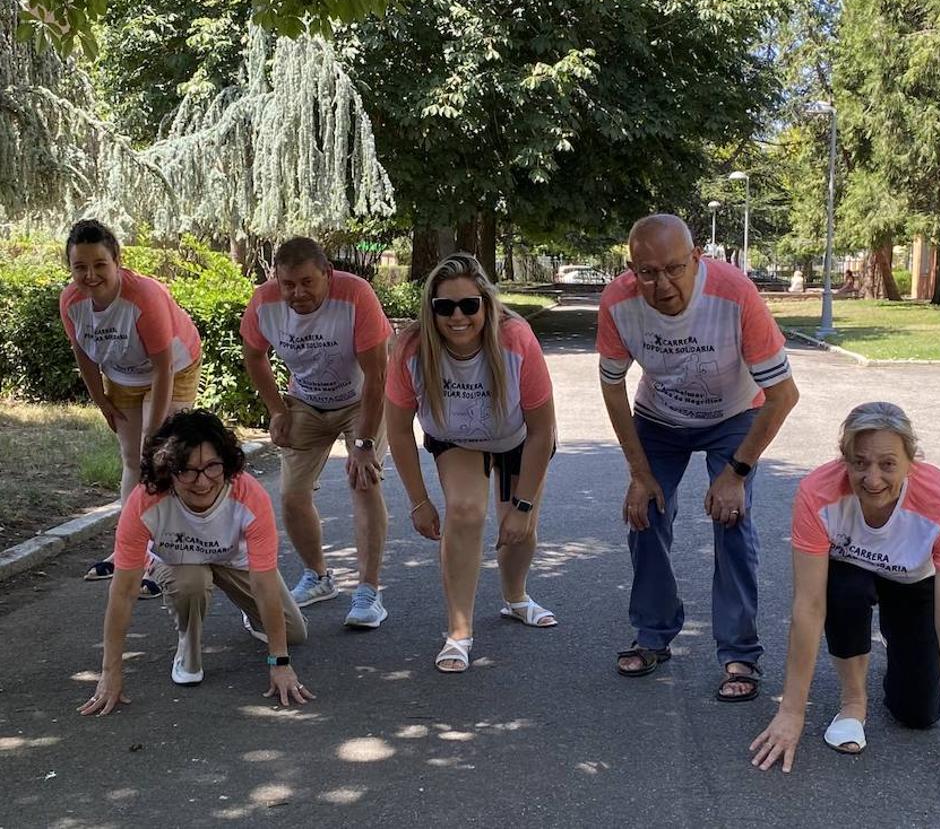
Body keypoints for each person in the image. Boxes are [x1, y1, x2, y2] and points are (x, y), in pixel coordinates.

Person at [750, 402, 940, 792]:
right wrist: (791, 712)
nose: (872, 479)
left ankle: (898, 644)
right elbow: (808, 607)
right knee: (842, 591)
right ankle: (854, 700)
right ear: (844, 460)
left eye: (888, 464)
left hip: (914, 581)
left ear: (910, 461)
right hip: (850, 574)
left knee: (919, 714)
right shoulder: (818, 492)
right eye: (860, 463)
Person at [597, 214, 798, 700]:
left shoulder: (734, 294)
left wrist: (737, 472)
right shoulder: (618, 302)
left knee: (732, 520)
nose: (662, 284)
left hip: (734, 414)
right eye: (647, 272)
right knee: (644, 514)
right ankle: (653, 634)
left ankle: (739, 653)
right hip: (659, 416)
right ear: (631, 269)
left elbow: (783, 395)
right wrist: (638, 474)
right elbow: (612, 385)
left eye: (674, 268)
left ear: (696, 258)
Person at [386, 254, 557, 673]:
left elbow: (542, 431)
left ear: (486, 303)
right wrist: (418, 501)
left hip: (519, 437)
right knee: (464, 511)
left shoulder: (515, 338)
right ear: (431, 310)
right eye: (444, 307)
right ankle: (458, 631)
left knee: (520, 529)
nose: (457, 316)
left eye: (469, 305)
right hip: (456, 439)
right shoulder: (410, 348)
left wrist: (522, 506)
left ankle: (515, 597)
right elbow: (398, 430)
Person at [79, 410, 311, 715]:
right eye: (187, 471)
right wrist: (110, 673)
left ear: (226, 463)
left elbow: (264, 581)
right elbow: (123, 591)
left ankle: (250, 615)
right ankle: (188, 643)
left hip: (233, 561)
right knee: (193, 581)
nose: (202, 482)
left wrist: (279, 662)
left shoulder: (249, 494)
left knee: (295, 634)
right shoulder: (144, 501)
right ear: (167, 470)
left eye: (212, 467)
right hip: (178, 563)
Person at [241, 237, 392, 628]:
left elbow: (377, 375)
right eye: (288, 284)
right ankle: (319, 576)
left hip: (361, 399)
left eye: (307, 282)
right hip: (305, 401)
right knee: (291, 495)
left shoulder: (356, 294)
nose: (297, 293)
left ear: (327, 274)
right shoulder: (265, 301)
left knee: (364, 481)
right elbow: (254, 354)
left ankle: (368, 592)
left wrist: (364, 444)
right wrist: (277, 410)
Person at [59, 219, 203, 598]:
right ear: (70, 267)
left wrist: (155, 436)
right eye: (80, 267)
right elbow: (83, 355)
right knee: (131, 460)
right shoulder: (71, 303)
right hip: (122, 373)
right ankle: (131, 549)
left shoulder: (143, 297)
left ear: (117, 261)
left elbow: (162, 367)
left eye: (100, 265)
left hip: (173, 366)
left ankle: (168, 555)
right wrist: (101, 401)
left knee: (159, 459)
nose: (90, 275)